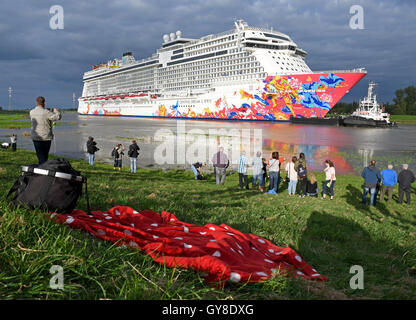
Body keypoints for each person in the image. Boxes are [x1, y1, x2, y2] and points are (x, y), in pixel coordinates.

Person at [30, 96, 61, 164]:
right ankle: (43, 169)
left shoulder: (31, 112)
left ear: (36, 102)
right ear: (44, 103)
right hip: (45, 137)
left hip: (35, 137)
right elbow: (57, 117)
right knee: (44, 156)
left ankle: (42, 168)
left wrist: (45, 110)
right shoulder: (46, 112)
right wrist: (57, 111)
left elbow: (40, 114)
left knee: (40, 155)